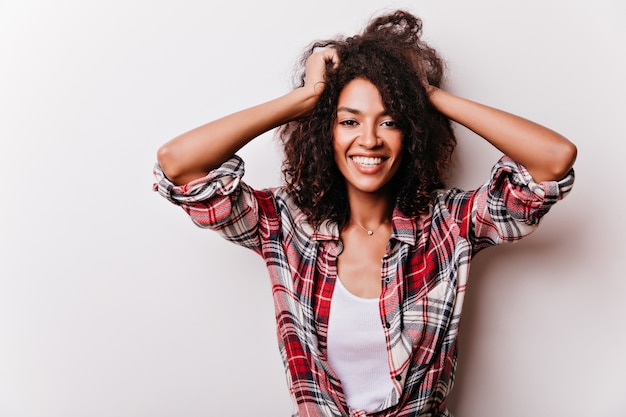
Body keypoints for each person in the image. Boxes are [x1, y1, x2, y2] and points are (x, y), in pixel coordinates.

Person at [153, 9, 576, 417]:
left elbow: (552, 161)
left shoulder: (450, 225)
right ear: (324, 131)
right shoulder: (284, 225)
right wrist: (305, 98)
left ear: (412, 131)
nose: (369, 140)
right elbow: (180, 166)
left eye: (390, 121)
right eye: (349, 122)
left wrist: (427, 95)